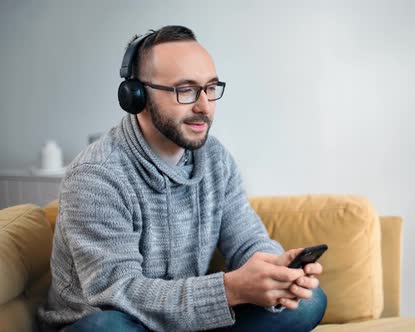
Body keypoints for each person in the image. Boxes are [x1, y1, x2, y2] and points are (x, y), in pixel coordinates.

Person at [38, 25, 327, 332]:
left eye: (211, 88)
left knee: (308, 301)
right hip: (117, 320)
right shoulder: (97, 175)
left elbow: (247, 240)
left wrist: (278, 273)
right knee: (106, 327)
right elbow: (119, 293)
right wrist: (229, 289)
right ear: (136, 96)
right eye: (186, 90)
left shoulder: (215, 159)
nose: (204, 106)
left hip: (190, 321)